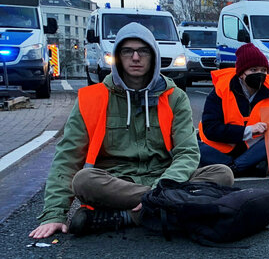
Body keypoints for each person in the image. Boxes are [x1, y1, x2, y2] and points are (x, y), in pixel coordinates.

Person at [29, 23, 233, 239]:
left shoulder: (175, 97)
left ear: (153, 55)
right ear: (117, 56)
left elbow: (187, 152)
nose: (135, 58)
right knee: (83, 180)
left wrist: (162, 187)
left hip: (166, 179)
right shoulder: (92, 98)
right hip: (116, 183)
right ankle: (170, 208)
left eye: (143, 51)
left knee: (222, 175)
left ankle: (128, 216)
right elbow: (67, 158)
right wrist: (54, 214)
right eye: (128, 51)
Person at [198, 43, 269, 177]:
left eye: (263, 70)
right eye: (253, 70)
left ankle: (232, 168)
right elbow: (210, 129)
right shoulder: (221, 90)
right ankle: (244, 168)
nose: (260, 74)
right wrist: (248, 131)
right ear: (241, 74)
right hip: (219, 148)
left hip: (252, 150)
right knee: (190, 145)